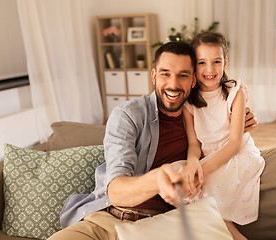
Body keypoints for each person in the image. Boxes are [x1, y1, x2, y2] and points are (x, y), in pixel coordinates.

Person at [48, 41, 257, 240]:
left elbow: (230, 139)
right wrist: (157, 180)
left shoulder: (201, 119)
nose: (173, 85)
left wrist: (240, 121)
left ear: (193, 79)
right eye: (166, 74)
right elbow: (116, 190)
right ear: (154, 76)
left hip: (164, 225)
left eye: (182, 75)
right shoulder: (129, 115)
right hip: (109, 219)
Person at [178, 32, 265, 240]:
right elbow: (193, 143)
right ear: (193, 66)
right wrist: (192, 164)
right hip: (209, 156)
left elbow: (235, 143)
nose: (209, 69)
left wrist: (202, 171)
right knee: (190, 190)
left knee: (206, 187)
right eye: (202, 62)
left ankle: (235, 237)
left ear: (225, 62)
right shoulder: (189, 103)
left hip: (237, 154)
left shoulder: (235, 92)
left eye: (216, 61)